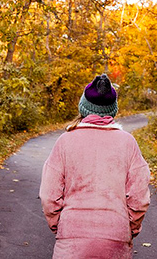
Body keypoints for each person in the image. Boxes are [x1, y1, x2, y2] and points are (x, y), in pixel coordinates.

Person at [39, 74, 151, 259]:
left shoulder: (65, 141)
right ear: (112, 110)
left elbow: (49, 196)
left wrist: (59, 225)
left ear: (83, 107)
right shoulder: (128, 143)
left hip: (72, 237)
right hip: (116, 236)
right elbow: (139, 199)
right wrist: (129, 228)